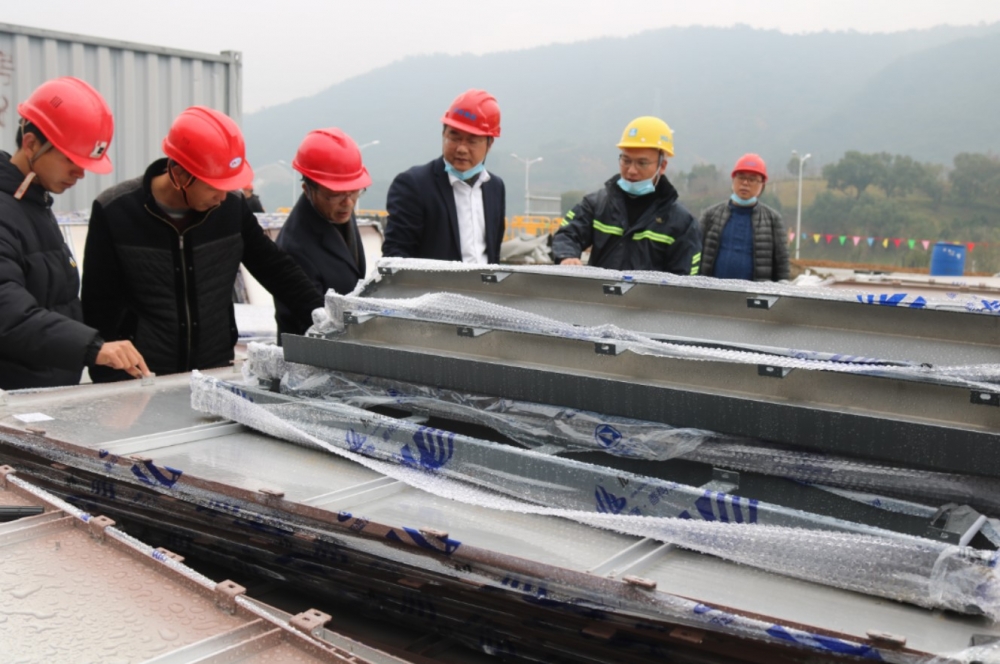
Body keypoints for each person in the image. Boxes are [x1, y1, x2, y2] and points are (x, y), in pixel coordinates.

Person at [82, 106, 324, 381]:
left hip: (213, 372)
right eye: (213, 186)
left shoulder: (231, 209)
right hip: (138, 378)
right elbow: (97, 304)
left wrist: (325, 319)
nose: (221, 197)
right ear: (179, 175)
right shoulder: (116, 211)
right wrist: (106, 378)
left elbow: (277, 269)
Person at [0, 77, 148, 389]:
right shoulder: (7, 210)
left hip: (47, 392)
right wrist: (93, 347)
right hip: (12, 401)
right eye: (70, 158)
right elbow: (7, 312)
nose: (80, 173)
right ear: (31, 144)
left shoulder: (34, 203)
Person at [551, 116, 701, 275]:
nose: (631, 170)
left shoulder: (682, 223)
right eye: (626, 161)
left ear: (662, 166)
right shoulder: (597, 205)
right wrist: (567, 256)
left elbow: (684, 281)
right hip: (599, 292)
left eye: (642, 163)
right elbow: (567, 234)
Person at [382, 89, 506, 264]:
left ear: (489, 143)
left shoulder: (495, 188)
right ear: (443, 134)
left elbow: (493, 254)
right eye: (454, 137)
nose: (461, 149)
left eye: (472, 141)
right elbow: (396, 255)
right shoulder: (414, 185)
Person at [274, 128, 371, 339]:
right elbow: (314, 324)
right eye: (335, 194)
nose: (348, 202)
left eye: (354, 191)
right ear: (307, 189)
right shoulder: (294, 247)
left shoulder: (338, 210)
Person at [698, 154, 789, 282]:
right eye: (741, 177)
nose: (745, 183)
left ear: (762, 185)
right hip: (712, 291)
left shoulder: (773, 220)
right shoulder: (710, 215)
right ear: (733, 180)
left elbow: (782, 265)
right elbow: (694, 255)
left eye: (752, 179)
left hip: (754, 293)